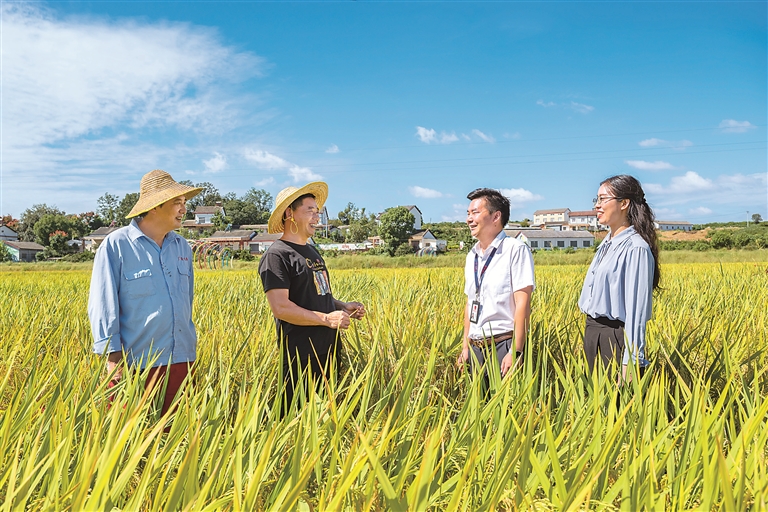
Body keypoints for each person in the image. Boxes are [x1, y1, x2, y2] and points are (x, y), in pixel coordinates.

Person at [88, 170, 202, 415]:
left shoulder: (182, 247)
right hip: (135, 364)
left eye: (184, 203)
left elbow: (187, 301)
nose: (184, 209)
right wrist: (113, 360)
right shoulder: (116, 245)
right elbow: (103, 305)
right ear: (155, 206)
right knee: (132, 433)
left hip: (181, 359)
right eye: (177, 202)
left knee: (178, 433)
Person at [258, 182, 366, 413]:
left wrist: (343, 307)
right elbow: (281, 308)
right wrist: (327, 319)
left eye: (317, 212)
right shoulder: (277, 256)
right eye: (310, 211)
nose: (317, 217)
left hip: (328, 348)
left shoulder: (312, 252)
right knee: (294, 416)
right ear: (290, 213)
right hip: (300, 353)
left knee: (325, 414)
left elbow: (318, 294)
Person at [578, 174, 661, 381]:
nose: (597, 205)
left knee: (616, 399)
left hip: (614, 338)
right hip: (593, 332)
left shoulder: (636, 248)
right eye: (596, 199)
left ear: (624, 203)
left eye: (603, 199)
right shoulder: (606, 243)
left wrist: (632, 360)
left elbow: (636, 311)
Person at [456, 188, 535, 382]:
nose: (469, 219)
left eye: (475, 213)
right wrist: (466, 346)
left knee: (506, 401)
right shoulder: (472, 255)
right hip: (475, 348)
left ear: (496, 216)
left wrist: (516, 350)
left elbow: (523, 303)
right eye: (468, 213)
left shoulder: (515, 250)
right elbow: (470, 304)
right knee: (476, 401)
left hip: (503, 344)